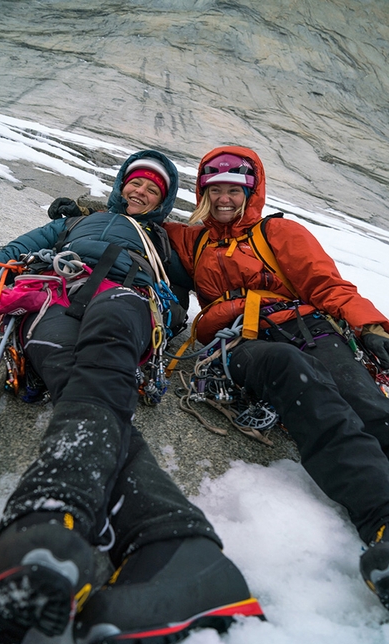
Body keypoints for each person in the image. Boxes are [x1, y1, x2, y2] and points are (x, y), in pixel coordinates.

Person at [0, 150, 264, 643]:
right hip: (58, 292)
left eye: (153, 190)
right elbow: (13, 251)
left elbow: (196, 288)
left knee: (100, 361)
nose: (141, 192)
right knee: (56, 357)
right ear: (122, 185)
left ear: (163, 203)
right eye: (136, 183)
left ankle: (53, 514)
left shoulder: (166, 242)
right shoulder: (80, 221)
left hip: (128, 296)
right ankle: (179, 547)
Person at [164, 145, 389, 611]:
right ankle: (382, 519)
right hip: (241, 344)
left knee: (369, 406)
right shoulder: (195, 240)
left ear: (251, 191)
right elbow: (146, 216)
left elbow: (327, 285)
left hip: (307, 327)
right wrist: (88, 209)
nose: (225, 198)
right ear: (204, 194)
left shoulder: (278, 232)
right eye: (215, 190)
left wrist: (370, 326)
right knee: (304, 385)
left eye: (234, 190)